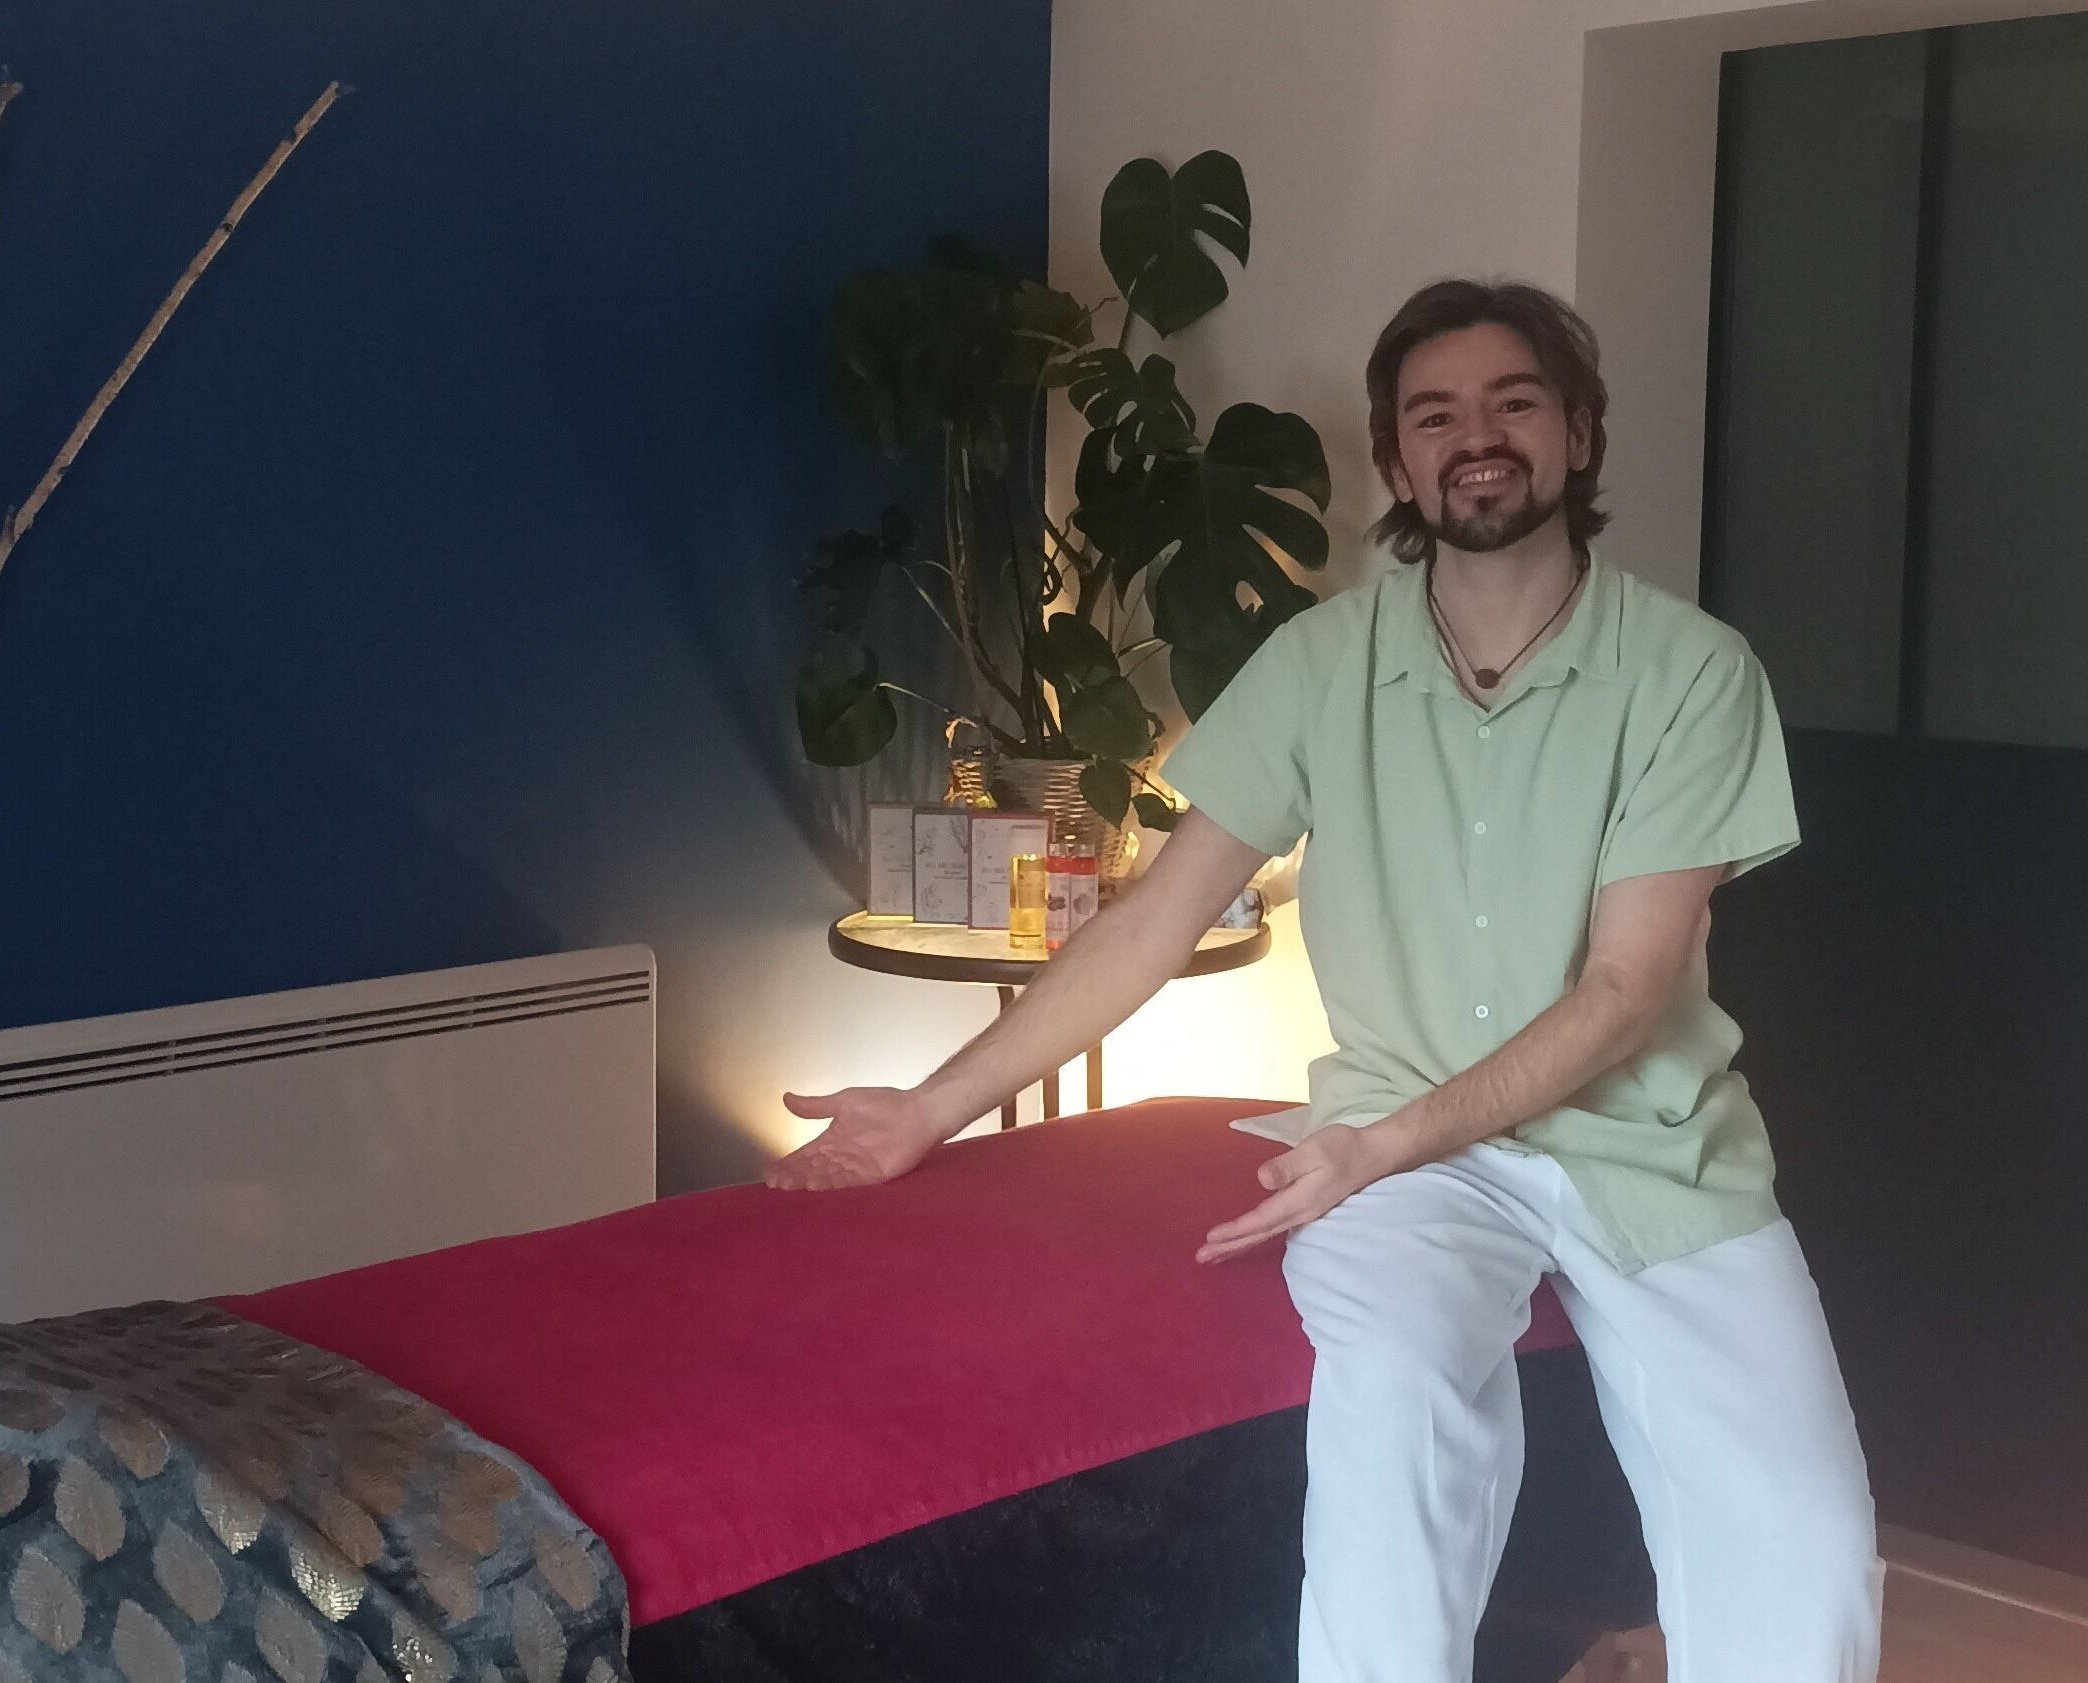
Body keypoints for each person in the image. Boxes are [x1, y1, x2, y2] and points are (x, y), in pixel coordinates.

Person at [768, 279, 1882, 1682]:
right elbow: (1151, 920)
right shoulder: (1320, 665)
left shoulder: (1690, 673)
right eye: (1435, 416)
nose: (1476, 438)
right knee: (1391, 1431)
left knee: (1806, 1552)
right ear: (1398, 461)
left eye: (1513, 403)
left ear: (1580, 434)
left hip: (1646, 1148)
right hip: (1415, 1166)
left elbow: (1621, 995)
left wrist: (1378, 1145)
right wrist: (930, 1108)